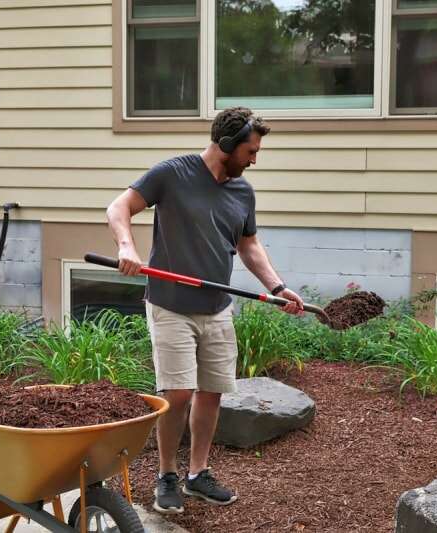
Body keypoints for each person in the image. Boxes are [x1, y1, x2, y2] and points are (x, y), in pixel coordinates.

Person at [106, 107, 304, 514]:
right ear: (226, 145)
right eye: (250, 150)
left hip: (216, 307)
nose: (254, 159)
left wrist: (278, 287)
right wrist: (127, 246)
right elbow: (118, 208)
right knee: (177, 394)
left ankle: (198, 474)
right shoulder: (172, 174)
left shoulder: (242, 192)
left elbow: (248, 245)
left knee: (211, 393)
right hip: (170, 304)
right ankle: (166, 475)